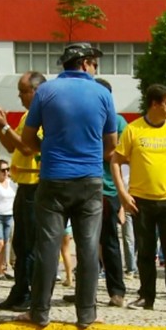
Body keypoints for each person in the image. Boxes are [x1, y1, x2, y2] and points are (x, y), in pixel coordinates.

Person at [17, 43, 117, 328]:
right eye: (94, 63)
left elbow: (27, 138)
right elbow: (111, 146)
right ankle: (86, 315)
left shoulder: (46, 91)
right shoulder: (102, 93)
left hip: (53, 179)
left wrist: (47, 152)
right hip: (89, 182)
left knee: (47, 246)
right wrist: (87, 158)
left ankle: (39, 312)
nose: (95, 67)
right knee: (87, 248)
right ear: (85, 63)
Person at [111, 83, 166, 314]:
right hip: (140, 201)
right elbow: (115, 162)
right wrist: (123, 194)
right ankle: (146, 296)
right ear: (155, 104)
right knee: (145, 252)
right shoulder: (133, 130)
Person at [63, 77, 127, 306]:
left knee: (108, 242)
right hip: (79, 184)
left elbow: (118, 154)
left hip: (106, 189)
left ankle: (116, 291)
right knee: (84, 242)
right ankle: (84, 292)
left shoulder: (118, 122)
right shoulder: (80, 117)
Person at [0, 70, 46, 311]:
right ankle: (20, 290)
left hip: (37, 187)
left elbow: (29, 148)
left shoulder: (42, 115)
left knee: (30, 244)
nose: (20, 96)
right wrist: (0, 127)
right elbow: (13, 147)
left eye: (24, 91)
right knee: (20, 244)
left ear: (37, 91)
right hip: (24, 187)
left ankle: (30, 292)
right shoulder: (26, 117)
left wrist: (5, 126)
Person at [0, 159, 16, 280]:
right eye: (3, 170)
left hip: (9, 215)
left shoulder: (11, 183)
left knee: (5, 242)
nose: (5, 172)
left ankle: (3, 269)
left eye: (7, 169)